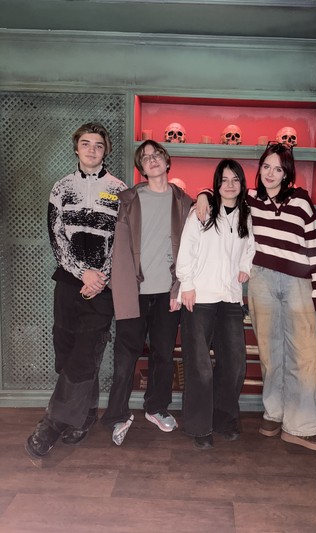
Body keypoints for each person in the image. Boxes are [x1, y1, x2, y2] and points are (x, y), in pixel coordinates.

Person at [196, 142, 316, 451]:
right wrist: (203, 193)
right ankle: (274, 413)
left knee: (303, 354)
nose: (270, 173)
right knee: (270, 352)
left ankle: (301, 426)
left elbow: (315, 246)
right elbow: (222, 192)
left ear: (287, 173)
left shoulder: (301, 202)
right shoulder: (250, 199)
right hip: (261, 281)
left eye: (277, 169)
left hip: (298, 282)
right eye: (266, 167)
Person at [25, 123, 127, 458]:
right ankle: (84, 415)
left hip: (103, 288)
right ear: (76, 148)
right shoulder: (61, 187)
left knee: (85, 354)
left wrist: (100, 277)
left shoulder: (119, 190)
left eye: (98, 145)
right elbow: (56, 238)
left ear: (106, 150)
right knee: (68, 354)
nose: (92, 150)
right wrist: (83, 273)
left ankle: (52, 425)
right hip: (69, 284)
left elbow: (123, 242)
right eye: (86, 144)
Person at [101, 140, 193, 446]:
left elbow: (191, 251)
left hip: (168, 293)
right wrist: (119, 290)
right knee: (125, 356)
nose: (152, 159)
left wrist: (178, 288)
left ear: (167, 161)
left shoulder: (184, 202)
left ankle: (156, 407)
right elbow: (117, 250)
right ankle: (117, 414)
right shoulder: (128, 200)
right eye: (145, 157)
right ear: (141, 168)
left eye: (156, 155)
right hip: (134, 291)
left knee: (163, 354)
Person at [176, 159, 255, 449]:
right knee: (199, 366)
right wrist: (186, 284)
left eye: (235, 179)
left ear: (242, 184)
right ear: (216, 184)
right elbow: (186, 248)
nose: (230, 185)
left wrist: (245, 266)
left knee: (234, 364)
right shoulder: (203, 211)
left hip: (231, 297)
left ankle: (224, 418)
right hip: (199, 297)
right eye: (224, 180)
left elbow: (250, 246)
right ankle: (199, 426)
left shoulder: (246, 215)